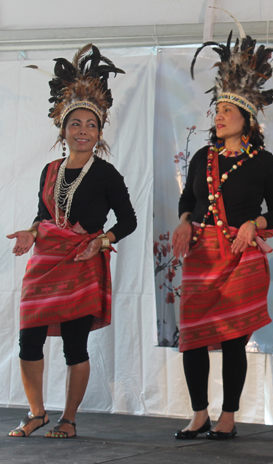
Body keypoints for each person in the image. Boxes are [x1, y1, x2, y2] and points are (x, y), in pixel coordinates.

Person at [7, 44, 136, 439]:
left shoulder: (107, 174)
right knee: (28, 340)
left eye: (91, 125)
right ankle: (36, 412)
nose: (83, 131)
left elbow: (128, 220)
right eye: (76, 124)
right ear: (63, 129)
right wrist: (31, 232)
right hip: (45, 262)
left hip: (82, 263)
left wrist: (103, 240)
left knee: (74, 346)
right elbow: (45, 215)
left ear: (99, 133)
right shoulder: (49, 170)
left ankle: (69, 418)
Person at [172, 26, 273, 440]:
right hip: (203, 254)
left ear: (247, 120)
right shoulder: (203, 156)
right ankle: (199, 413)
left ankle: (228, 416)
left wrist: (253, 223)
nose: (218, 115)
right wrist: (185, 220)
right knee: (192, 338)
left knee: (234, 338)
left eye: (227, 111)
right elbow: (188, 198)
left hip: (242, 254)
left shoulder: (264, 162)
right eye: (217, 109)